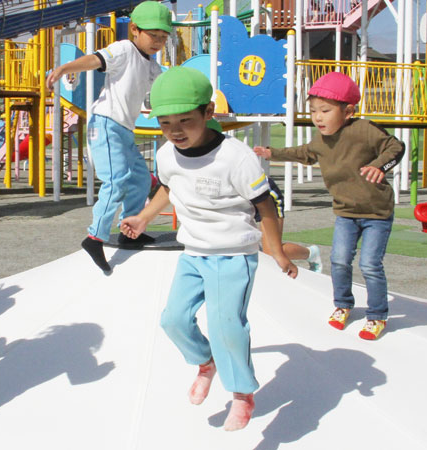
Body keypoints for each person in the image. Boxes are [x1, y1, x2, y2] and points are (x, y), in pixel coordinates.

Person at [120, 67, 298, 431]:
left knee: (226, 326)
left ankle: (242, 393)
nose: (175, 131)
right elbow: (169, 188)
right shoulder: (168, 154)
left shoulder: (236, 158)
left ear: (208, 113)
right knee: (173, 320)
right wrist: (142, 218)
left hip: (233, 255)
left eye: (186, 120)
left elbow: (265, 205)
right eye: (166, 123)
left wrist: (276, 250)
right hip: (193, 254)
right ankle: (207, 363)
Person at [253, 72, 404, 341]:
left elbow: (395, 147)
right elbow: (302, 153)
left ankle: (377, 314)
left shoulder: (363, 130)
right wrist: (271, 152)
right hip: (346, 212)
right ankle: (343, 304)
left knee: (370, 264)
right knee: (339, 260)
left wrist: (379, 166)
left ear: (348, 111)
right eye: (313, 111)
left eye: (325, 110)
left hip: (377, 213)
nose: (318, 117)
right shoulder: (320, 141)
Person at [45, 0, 171, 272]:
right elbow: (96, 59)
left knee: (138, 179)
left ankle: (129, 230)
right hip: (104, 124)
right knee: (116, 181)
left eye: (163, 38)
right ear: (135, 30)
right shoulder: (124, 49)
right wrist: (66, 68)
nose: (158, 42)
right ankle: (94, 237)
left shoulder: (151, 65)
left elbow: (167, 86)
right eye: (154, 36)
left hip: (124, 129)